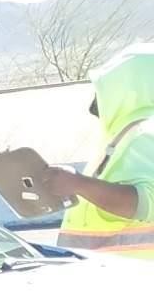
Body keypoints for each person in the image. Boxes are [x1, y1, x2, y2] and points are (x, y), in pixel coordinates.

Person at [43, 44, 154, 257]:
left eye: (104, 89)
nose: (95, 104)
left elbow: (144, 202)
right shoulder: (130, 133)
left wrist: (76, 183)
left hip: (130, 278)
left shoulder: (145, 133)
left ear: (129, 88)